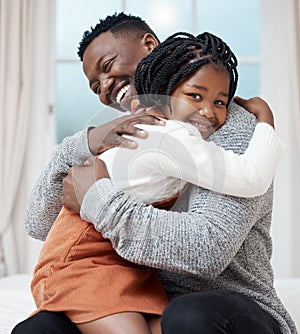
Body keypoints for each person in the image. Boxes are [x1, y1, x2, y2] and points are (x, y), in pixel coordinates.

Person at [12, 12, 296, 334]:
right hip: (145, 296)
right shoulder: (129, 136)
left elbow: (206, 252)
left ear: (149, 45)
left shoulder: (225, 123)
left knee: (188, 316)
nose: (105, 87)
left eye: (107, 66)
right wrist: (86, 142)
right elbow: (39, 222)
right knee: (37, 330)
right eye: (95, 86)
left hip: (226, 305)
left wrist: (97, 197)